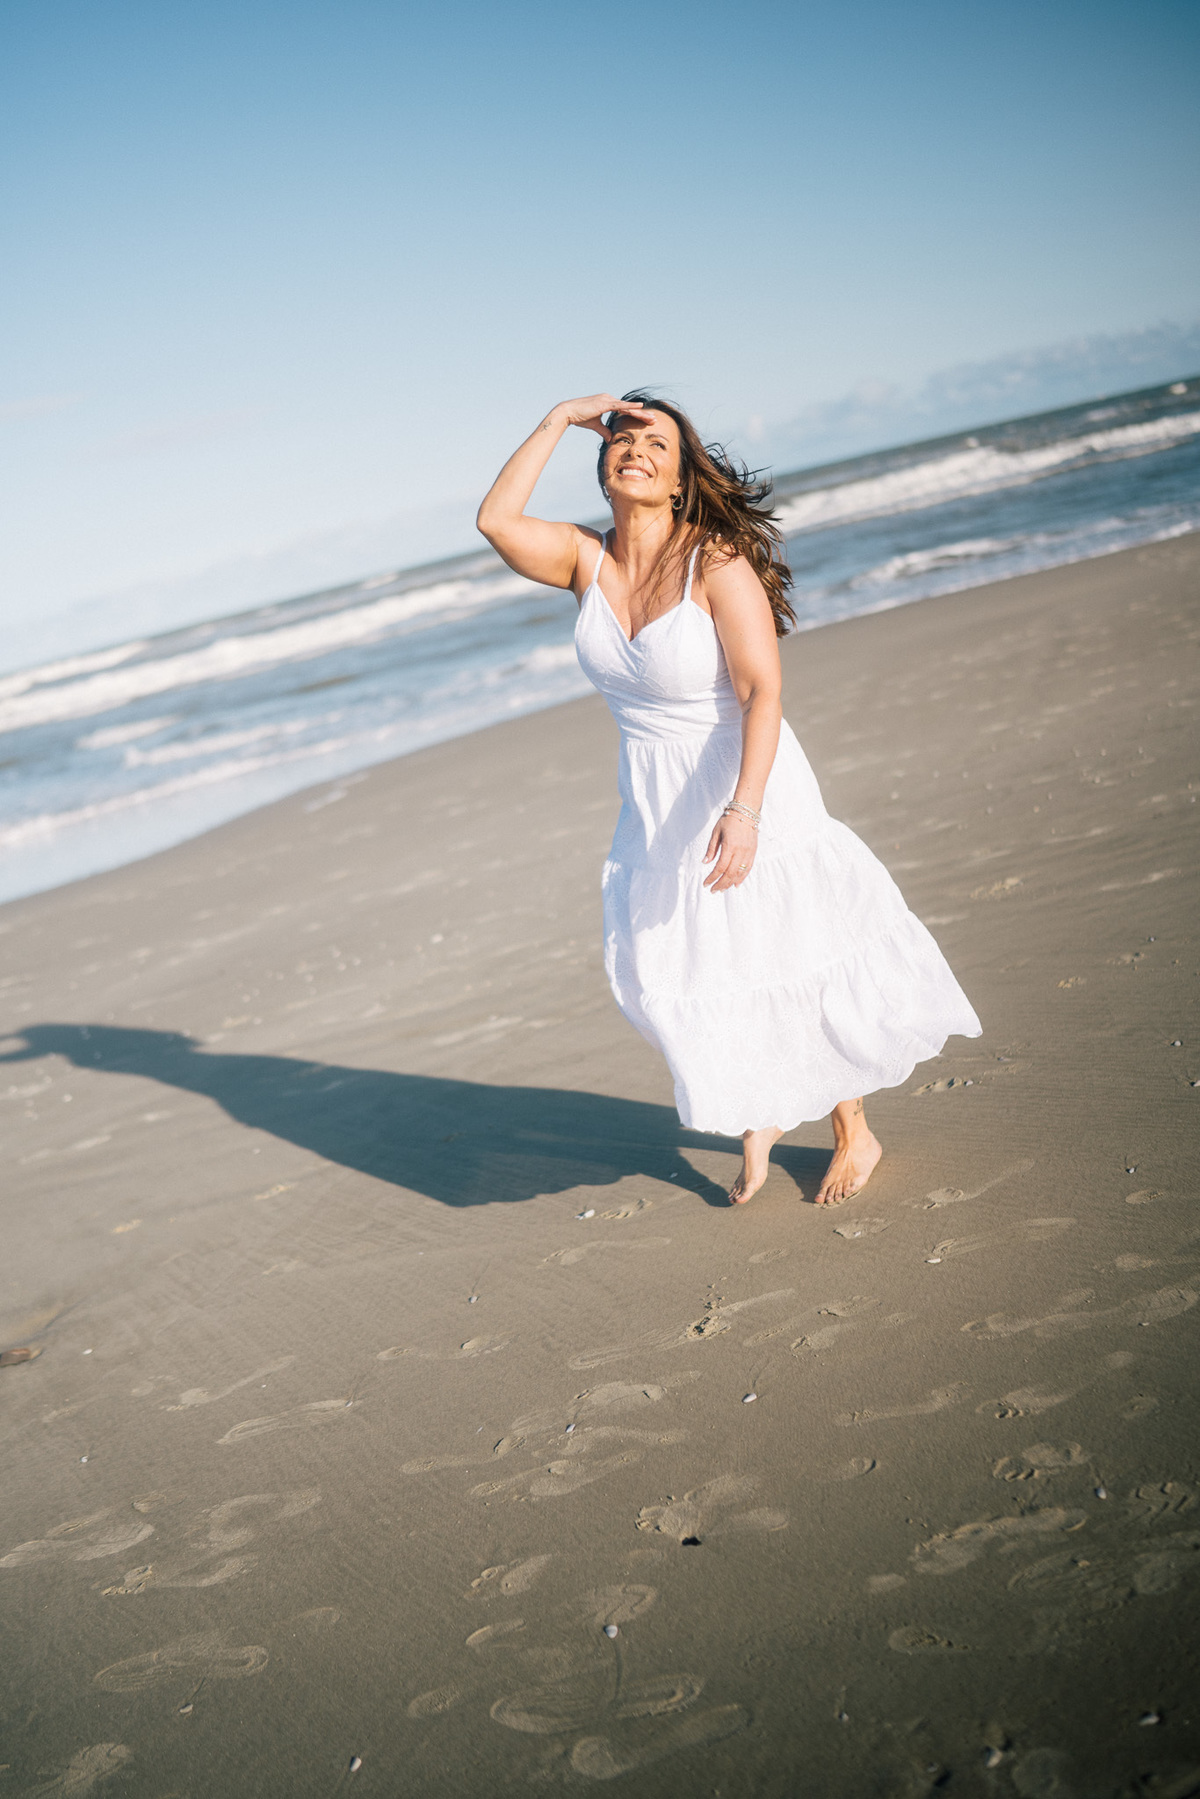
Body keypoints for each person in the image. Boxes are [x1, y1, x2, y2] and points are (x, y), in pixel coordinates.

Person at [477, 392, 981, 1206]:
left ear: (679, 479)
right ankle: (762, 1112)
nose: (635, 449)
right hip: (654, 792)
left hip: (744, 772)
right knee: (699, 959)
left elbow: (763, 690)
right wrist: (555, 418)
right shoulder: (584, 559)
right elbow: (496, 520)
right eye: (622, 440)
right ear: (602, 466)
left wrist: (746, 811)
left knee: (789, 942)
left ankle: (855, 1129)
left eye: (657, 444)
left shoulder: (712, 560)